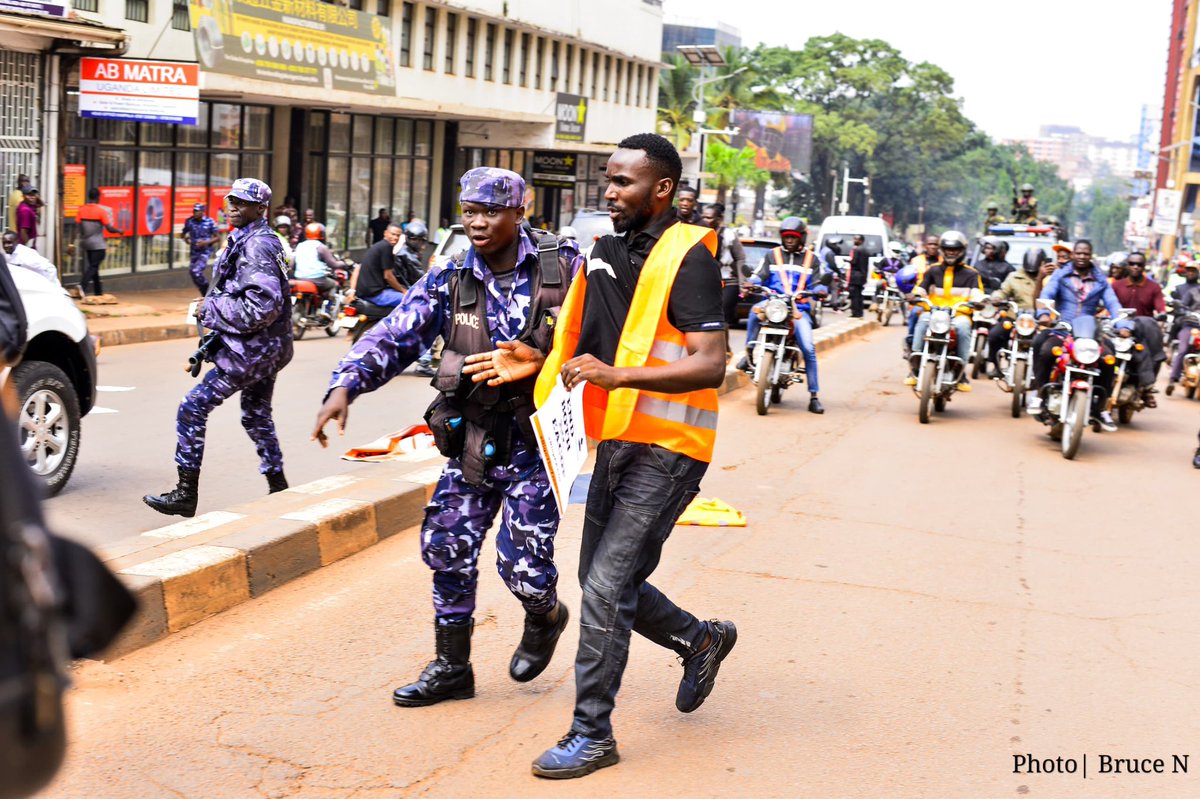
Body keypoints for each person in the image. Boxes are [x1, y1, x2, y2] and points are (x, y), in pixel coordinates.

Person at [312, 167, 579, 711]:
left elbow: (608, 340)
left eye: (491, 211)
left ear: (519, 212)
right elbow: (395, 333)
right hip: (474, 438)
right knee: (446, 547)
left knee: (523, 566)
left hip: (538, 444)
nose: (478, 223)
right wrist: (345, 385)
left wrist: (545, 361)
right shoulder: (450, 277)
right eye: (470, 211)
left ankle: (545, 613)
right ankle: (452, 668)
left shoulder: (564, 268)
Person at [529, 134, 733, 780]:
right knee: (601, 582)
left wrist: (620, 377)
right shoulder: (606, 251)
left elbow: (711, 363)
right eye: (608, 180)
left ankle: (592, 731)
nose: (609, 191)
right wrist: (532, 361)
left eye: (623, 182)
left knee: (606, 586)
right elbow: (584, 343)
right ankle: (698, 636)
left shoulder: (689, 255)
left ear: (662, 190)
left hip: (671, 448)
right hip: (616, 440)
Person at [143, 178, 292, 517]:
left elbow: (261, 308)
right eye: (232, 200)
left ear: (261, 208)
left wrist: (207, 309)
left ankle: (185, 494)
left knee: (192, 407)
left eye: (243, 202)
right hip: (267, 349)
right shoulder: (251, 239)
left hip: (253, 352)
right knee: (256, 415)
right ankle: (279, 487)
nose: (234, 206)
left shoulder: (257, 246)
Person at [1028, 239, 1121, 430]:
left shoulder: (1101, 280)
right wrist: (1044, 313)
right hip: (1062, 328)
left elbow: (1113, 303)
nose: (1081, 256)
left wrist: (1123, 323)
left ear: (1090, 256)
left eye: (1085, 253)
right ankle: (1039, 394)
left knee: (1109, 358)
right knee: (1043, 347)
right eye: (1078, 253)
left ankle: (1101, 408)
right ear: (1072, 255)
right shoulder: (1061, 275)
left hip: (1089, 332)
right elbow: (1047, 294)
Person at [740, 215, 826, 413]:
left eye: (793, 237)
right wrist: (750, 284)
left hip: (798, 309)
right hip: (773, 303)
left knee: (808, 347)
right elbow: (758, 275)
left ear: (801, 238)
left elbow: (819, 282)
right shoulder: (772, 255)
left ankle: (814, 396)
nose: (789, 240)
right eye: (786, 236)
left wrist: (821, 289)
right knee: (753, 314)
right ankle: (749, 353)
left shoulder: (812, 259)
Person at [906, 230, 982, 392]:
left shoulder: (971, 273)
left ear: (962, 251)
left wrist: (978, 302)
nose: (951, 252)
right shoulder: (932, 270)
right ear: (942, 250)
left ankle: (960, 373)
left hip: (958, 315)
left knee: (963, 329)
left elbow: (977, 294)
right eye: (947, 249)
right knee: (921, 322)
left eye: (955, 249)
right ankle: (916, 367)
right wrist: (914, 295)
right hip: (933, 313)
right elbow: (921, 288)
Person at [1111, 251, 1167, 390]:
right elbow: (1108, 304)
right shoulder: (1116, 286)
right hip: (1119, 330)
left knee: (1156, 354)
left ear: (1144, 266)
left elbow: (1160, 306)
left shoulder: (1153, 287)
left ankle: (1147, 387)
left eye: (1139, 264)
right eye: (1132, 264)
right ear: (1127, 266)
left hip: (1142, 332)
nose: (1135, 267)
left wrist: (1162, 314)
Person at [700, 202, 746, 358]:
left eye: (709, 217)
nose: (705, 220)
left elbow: (740, 257)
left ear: (719, 219)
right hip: (708, 281)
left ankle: (724, 351)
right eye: (703, 216)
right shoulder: (699, 233)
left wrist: (742, 282)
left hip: (729, 281)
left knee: (723, 317)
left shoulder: (729, 235)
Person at [73, 188, 123, 295]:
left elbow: (76, 228)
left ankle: (98, 292)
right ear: (98, 197)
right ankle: (82, 285)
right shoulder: (101, 211)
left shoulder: (81, 210)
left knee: (93, 267)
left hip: (86, 244)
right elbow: (109, 228)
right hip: (98, 245)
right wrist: (119, 230)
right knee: (94, 266)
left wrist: (72, 243)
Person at [291, 222, 341, 316]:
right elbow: (332, 264)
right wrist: (343, 264)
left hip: (300, 278)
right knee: (334, 284)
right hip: (317, 279)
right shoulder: (321, 247)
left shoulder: (300, 245)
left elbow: (292, 263)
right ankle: (326, 310)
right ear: (321, 234)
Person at [1166, 263, 1200, 395]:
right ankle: (1172, 379)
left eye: (1194, 271)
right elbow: (1182, 305)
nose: (1191, 273)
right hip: (1190, 325)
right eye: (1189, 271)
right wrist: (1183, 311)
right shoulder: (1191, 292)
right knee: (1183, 349)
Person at [180, 203, 220, 296]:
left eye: (197, 211)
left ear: (202, 212)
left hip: (205, 251)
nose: (195, 213)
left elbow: (217, 237)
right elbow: (183, 233)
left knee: (196, 271)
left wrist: (205, 243)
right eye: (194, 211)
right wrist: (185, 238)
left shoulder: (209, 221)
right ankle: (205, 294)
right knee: (192, 272)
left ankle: (208, 291)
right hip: (194, 251)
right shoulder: (189, 221)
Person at [847, 233, 870, 318]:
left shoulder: (857, 250)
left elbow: (854, 262)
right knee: (859, 295)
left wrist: (848, 261)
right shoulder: (866, 250)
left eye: (856, 239)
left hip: (855, 276)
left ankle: (855, 313)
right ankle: (860, 312)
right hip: (862, 276)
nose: (854, 240)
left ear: (861, 241)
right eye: (854, 239)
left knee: (854, 295)